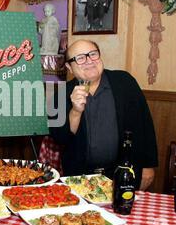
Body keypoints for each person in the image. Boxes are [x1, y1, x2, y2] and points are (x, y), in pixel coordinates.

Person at [49, 40, 157, 191]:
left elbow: (145, 124)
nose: (89, 61)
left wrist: (148, 165)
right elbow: (60, 138)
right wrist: (75, 111)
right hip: (79, 178)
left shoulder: (124, 82)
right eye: (80, 58)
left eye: (93, 54)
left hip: (123, 173)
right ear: (69, 67)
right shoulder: (60, 95)